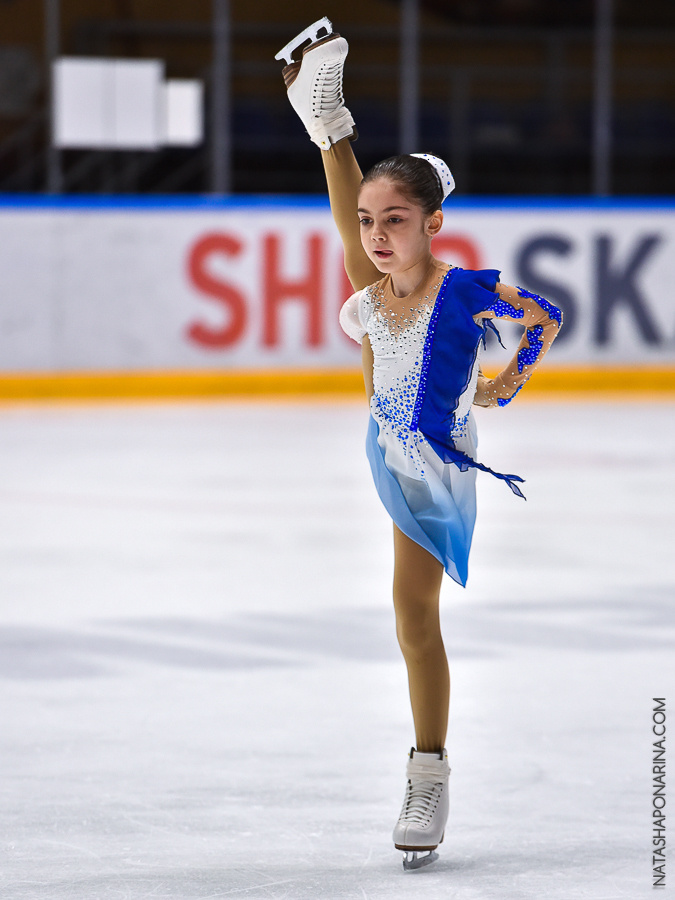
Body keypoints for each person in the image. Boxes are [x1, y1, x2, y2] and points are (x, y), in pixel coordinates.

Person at [275, 18, 562, 870]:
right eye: (367, 219)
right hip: (384, 444)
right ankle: (325, 121)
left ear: (433, 222)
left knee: (412, 620)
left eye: (394, 219)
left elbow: (543, 316)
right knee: (371, 291)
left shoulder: (463, 286)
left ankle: (427, 770)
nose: (375, 232)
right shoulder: (375, 286)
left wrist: (506, 381)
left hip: (432, 468)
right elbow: (359, 243)